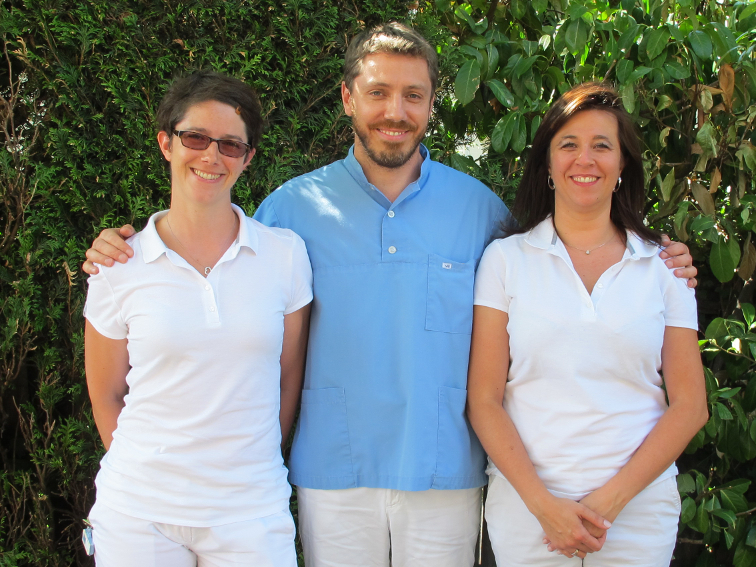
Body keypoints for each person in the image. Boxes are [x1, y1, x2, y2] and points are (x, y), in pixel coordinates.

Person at [81, 25, 698, 567]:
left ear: (431, 106)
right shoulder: (290, 211)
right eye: (377, 92)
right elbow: (217, 268)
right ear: (349, 99)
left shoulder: (481, 211)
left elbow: (557, 267)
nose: (394, 111)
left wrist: (661, 258)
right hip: (333, 471)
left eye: (413, 95)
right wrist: (121, 250)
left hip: (444, 470)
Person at [466, 82, 708, 567]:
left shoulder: (664, 265)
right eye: (569, 145)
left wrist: (608, 503)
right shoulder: (505, 260)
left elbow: (690, 406)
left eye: (602, 145)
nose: (585, 159)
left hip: (636, 513)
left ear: (622, 166)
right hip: (528, 512)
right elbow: (484, 400)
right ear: (548, 165)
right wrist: (544, 507)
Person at [83, 71, 312, 567]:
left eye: (230, 145)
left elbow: (288, 376)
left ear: (248, 158)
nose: (211, 156)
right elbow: (105, 393)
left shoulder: (285, 256)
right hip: (139, 514)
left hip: (251, 510)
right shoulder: (116, 266)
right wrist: (153, 479)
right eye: (196, 138)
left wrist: (250, 464)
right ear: (167, 143)